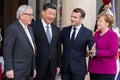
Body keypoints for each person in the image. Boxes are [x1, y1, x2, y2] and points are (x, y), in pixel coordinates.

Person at [3, 5, 36, 80]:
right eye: (29, 15)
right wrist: (9, 69)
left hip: (29, 71)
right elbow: (7, 51)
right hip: (17, 71)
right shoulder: (12, 29)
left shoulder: (30, 29)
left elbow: (32, 50)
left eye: (32, 15)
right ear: (21, 16)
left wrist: (33, 68)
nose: (32, 17)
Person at [61, 8, 94, 80]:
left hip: (79, 69)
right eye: (71, 16)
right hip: (65, 68)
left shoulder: (88, 32)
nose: (72, 19)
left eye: (75, 17)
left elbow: (91, 46)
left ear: (81, 19)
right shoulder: (64, 30)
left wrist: (92, 51)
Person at [30, 3, 61, 80]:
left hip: (52, 68)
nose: (51, 16)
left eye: (54, 14)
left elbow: (58, 48)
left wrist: (58, 65)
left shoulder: (56, 29)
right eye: (49, 13)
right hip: (38, 67)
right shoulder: (33, 27)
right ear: (43, 12)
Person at [88, 13, 118, 80]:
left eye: (100, 21)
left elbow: (113, 52)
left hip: (106, 70)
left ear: (107, 23)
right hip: (93, 69)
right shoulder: (96, 34)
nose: (98, 23)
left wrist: (97, 52)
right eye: (98, 21)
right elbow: (94, 48)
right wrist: (90, 52)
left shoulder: (112, 35)